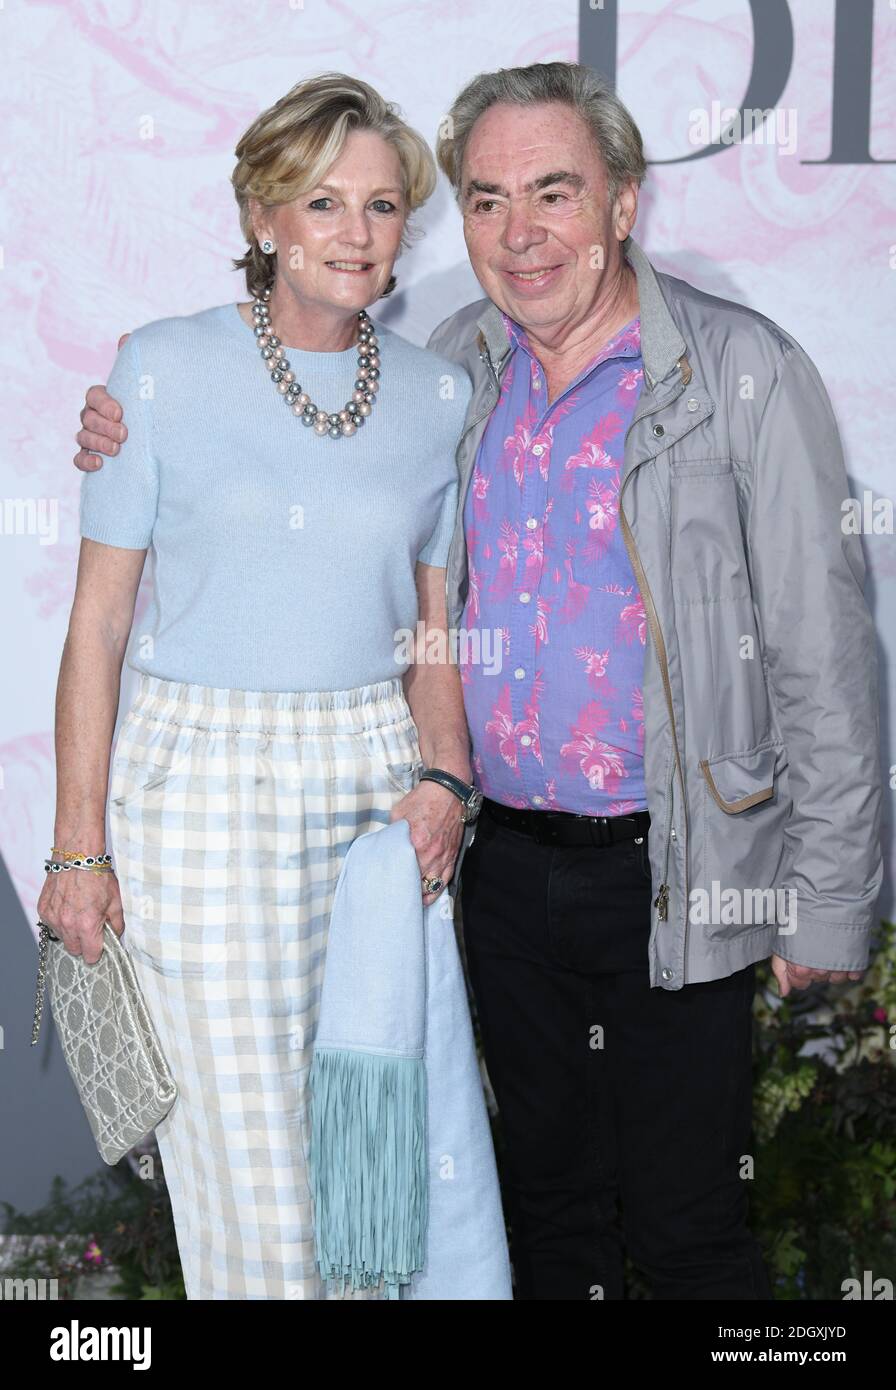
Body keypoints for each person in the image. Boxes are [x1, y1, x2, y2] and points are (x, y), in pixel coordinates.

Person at [75, 62, 883, 1302]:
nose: (520, 232)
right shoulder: (457, 373)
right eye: (489, 198)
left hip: (679, 869)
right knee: (538, 1224)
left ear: (622, 204)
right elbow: (395, 576)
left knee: (686, 1236)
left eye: (553, 192)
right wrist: (128, 415)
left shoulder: (740, 373)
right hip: (493, 872)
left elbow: (823, 650)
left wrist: (826, 899)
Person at [43, 72, 479, 1301]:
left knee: (365, 1149)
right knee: (246, 1167)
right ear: (262, 218)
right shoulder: (158, 371)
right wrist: (79, 847)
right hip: (199, 788)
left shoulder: (441, 397)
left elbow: (433, 632)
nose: (355, 232)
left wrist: (446, 778)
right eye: (322, 202)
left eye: (382, 205)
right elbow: (98, 625)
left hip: (376, 793)